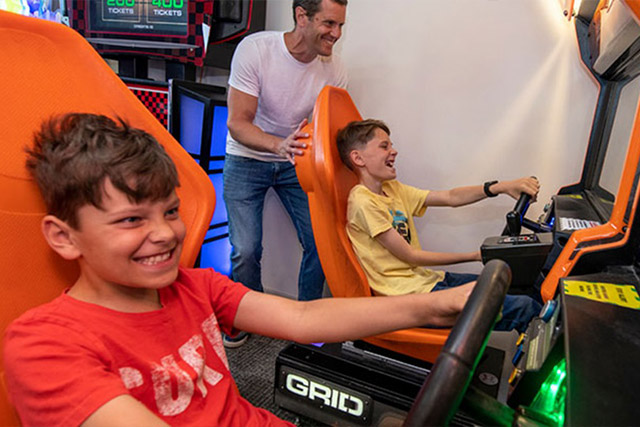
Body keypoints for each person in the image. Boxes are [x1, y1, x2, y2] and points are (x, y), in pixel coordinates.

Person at [3, 113, 474, 427]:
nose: (167, 234)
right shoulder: (43, 345)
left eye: (169, 212)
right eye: (131, 220)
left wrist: (434, 306)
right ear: (63, 237)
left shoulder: (195, 286)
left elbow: (303, 319)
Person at [336, 119, 542, 333]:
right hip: (406, 296)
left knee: (518, 285)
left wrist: (501, 187)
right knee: (524, 308)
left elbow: (450, 197)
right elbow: (411, 256)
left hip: (426, 281)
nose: (394, 151)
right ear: (358, 158)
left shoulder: (392, 189)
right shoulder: (362, 202)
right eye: (384, 146)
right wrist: (474, 256)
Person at [223, 0, 348, 327]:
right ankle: (249, 318)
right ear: (302, 16)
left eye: (340, 27)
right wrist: (279, 144)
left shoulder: (334, 70)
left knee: (321, 241)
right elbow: (238, 123)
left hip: (295, 161)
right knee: (246, 250)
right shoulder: (256, 50)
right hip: (247, 157)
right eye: (329, 24)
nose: (335, 34)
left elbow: (327, 130)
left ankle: (306, 321)